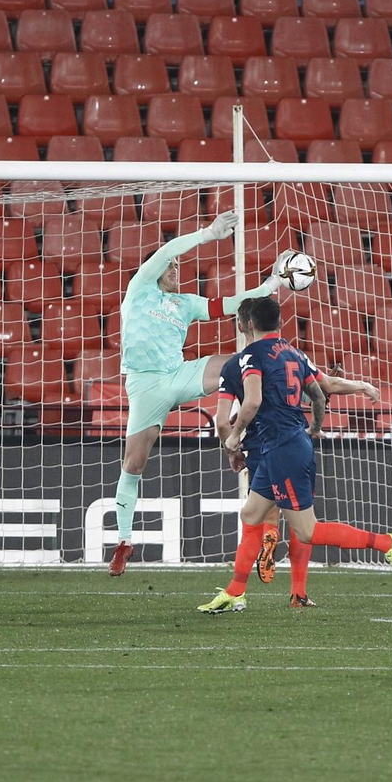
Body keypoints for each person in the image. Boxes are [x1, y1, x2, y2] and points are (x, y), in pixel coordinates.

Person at [108, 211, 286, 576]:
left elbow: (226, 306)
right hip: (145, 384)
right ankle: (125, 540)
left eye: (178, 266)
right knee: (134, 463)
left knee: (243, 362)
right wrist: (207, 234)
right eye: (170, 266)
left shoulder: (185, 303)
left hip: (179, 373)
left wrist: (268, 286)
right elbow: (169, 248)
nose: (175, 268)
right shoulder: (139, 289)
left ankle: (245, 428)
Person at [203, 297, 392, 612]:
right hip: (289, 445)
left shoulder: (249, 357)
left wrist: (234, 438)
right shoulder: (294, 353)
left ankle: (387, 543)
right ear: (279, 323)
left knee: (307, 530)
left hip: (281, 447)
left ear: (249, 325)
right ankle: (235, 592)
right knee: (251, 515)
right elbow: (325, 387)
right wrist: (360, 385)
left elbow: (252, 402)